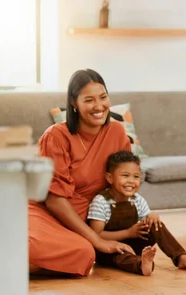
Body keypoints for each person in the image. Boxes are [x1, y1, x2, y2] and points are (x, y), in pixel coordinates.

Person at [28, 69, 136, 276]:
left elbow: (124, 184)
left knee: (84, 253)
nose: (99, 106)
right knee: (41, 246)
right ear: (73, 103)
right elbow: (54, 200)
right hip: (45, 212)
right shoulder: (56, 136)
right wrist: (97, 240)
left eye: (103, 97)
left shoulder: (117, 132)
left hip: (82, 222)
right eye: (89, 100)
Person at [87, 150, 186, 275]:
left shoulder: (137, 199)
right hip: (108, 249)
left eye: (136, 176)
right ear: (110, 178)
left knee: (156, 224)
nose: (131, 181)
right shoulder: (101, 202)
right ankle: (141, 264)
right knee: (119, 258)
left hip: (133, 244)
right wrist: (128, 233)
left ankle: (180, 257)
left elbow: (147, 221)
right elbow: (96, 235)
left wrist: (152, 216)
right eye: (125, 175)